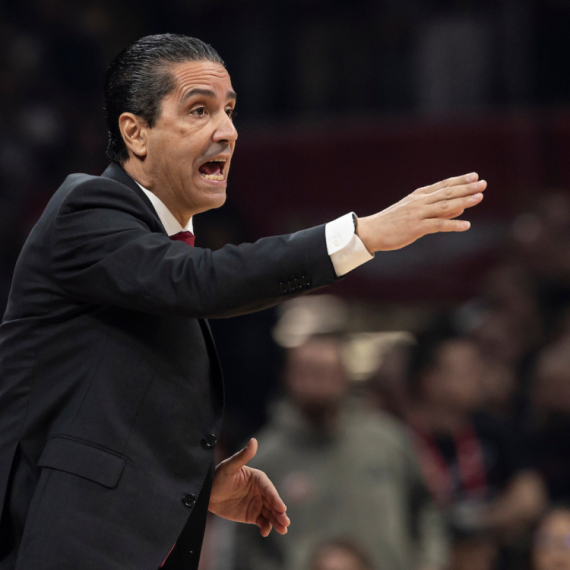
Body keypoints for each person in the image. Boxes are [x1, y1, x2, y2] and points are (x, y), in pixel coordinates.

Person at [0, 33, 486, 570]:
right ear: (135, 133)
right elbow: (204, 281)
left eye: (229, 111)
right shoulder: (86, 209)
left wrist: (194, 485)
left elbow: (107, 417)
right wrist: (364, 234)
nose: (227, 131)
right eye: (199, 110)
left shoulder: (152, 254)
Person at [235, 334, 448, 570]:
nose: (317, 382)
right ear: (287, 376)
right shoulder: (261, 458)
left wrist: (430, 564)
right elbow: (242, 543)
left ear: (344, 376)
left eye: (326, 372)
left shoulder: (388, 440)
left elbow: (428, 509)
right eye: (308, 371)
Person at [405, 321, 546, 570]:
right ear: (429, 380)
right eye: (465, 371)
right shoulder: (401, 439)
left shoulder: (495, 429)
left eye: (477, 368)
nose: (478, 377)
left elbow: (530, 499)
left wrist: (473, 521)